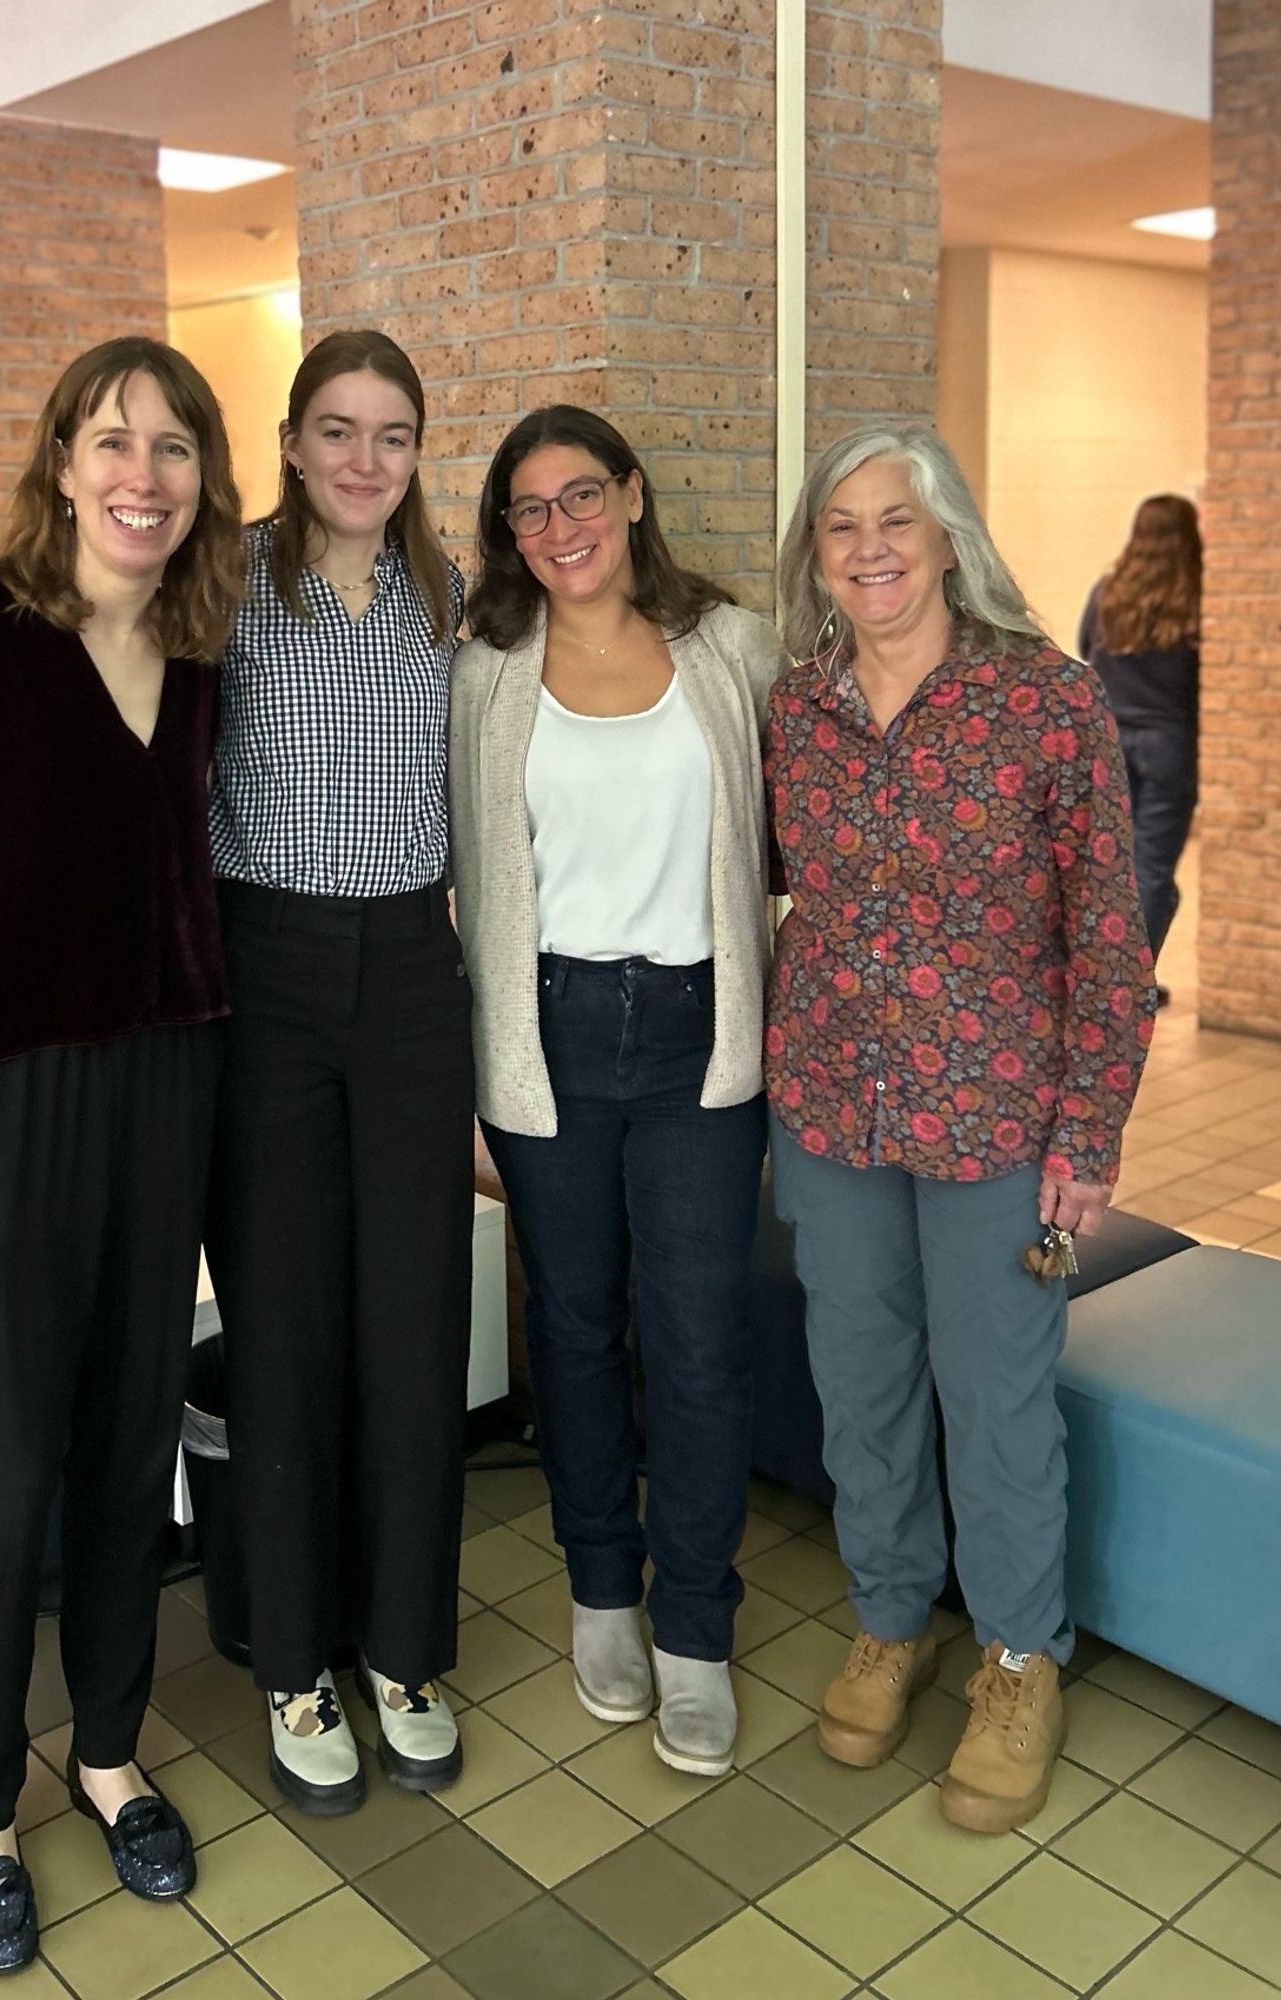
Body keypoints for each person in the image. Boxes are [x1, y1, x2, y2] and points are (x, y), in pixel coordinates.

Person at [0, 336, 243, 1972]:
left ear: (205, 480)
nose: (141, 475)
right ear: (61, 464)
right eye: (111, 442)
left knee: (126, 1439)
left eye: (173, 448)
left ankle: (103, 1753)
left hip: (165, 1093)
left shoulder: (207, 653)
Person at [764, 423, 1155, 1834]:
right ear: (814, 554)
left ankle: (1013, 1658)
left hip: (994, 1116)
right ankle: (887, 1618)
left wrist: (1087, 1134)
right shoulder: (793, 706)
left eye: (896, 521)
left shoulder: (1045, 703)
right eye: (839, 527)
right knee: (856, 1384)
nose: (868, 549)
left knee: (994, 1401)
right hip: (828, 1102)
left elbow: (1109, 939)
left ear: (946, 538)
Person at [449, 407, 782, 1778]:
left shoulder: (732, 650)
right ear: (506, 535)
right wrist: (467, 1078)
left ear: (632, 496)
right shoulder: (480, 669)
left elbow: (803, 831)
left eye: (579, 494)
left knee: (697, 1340)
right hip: (553, 1035)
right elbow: (453, 870)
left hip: (701, 1035)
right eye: (527, 510)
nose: (559, 528)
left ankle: (694, 1625)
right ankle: (602, 1593)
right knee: (574, 1330)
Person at [204, 329, 472, 1815]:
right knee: (288, 1326)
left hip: (412, 974)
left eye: (393, 435)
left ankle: (401, 1651)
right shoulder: (227, 586)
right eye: (337, 431)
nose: (365, 461)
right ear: (293, 440)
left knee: (414, 1318)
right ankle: (294, 1660)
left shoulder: (451, 600)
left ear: (417, 454)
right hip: (269, 977)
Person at [1078, 494, 1202, 986]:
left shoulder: (1108, 592)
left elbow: (1087, 652)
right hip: (1170, 745)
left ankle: (1107, 976)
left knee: (1110, 866)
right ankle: (1128, 984)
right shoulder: (1199, 600)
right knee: (1151, 868)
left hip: (1110, 740)